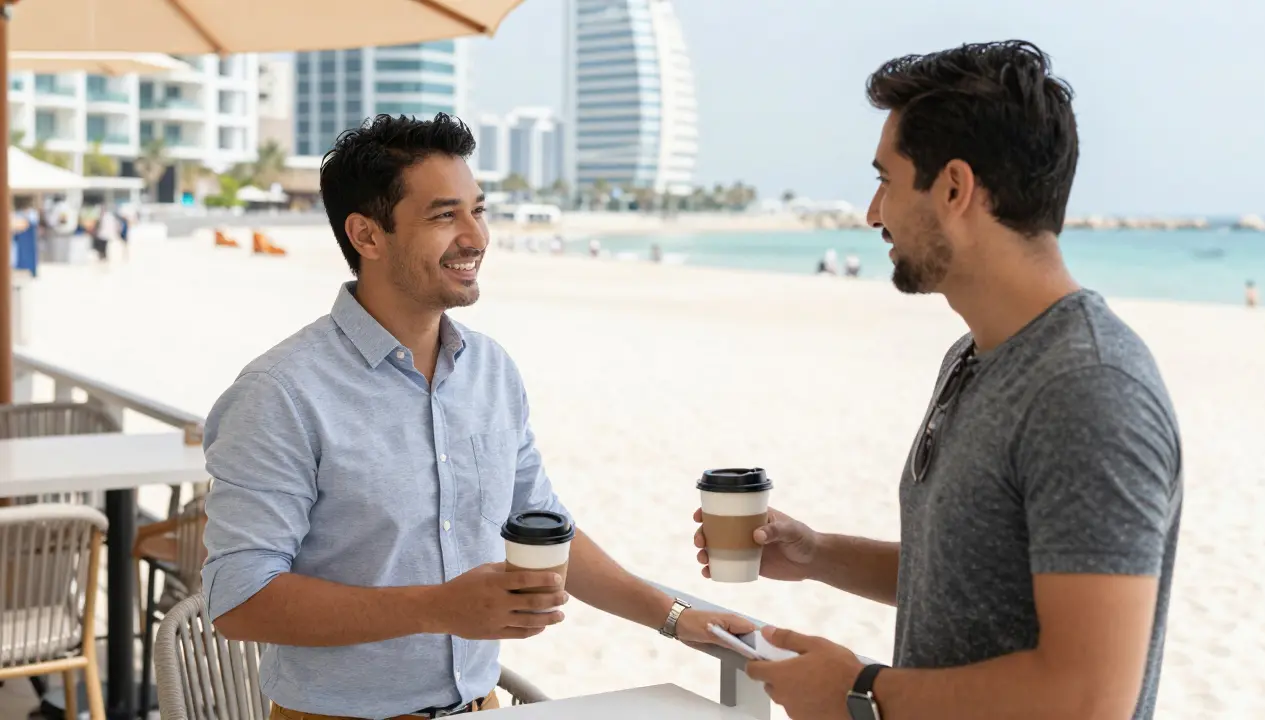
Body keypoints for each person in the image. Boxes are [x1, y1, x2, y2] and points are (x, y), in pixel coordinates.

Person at [201, 113, 751, 720]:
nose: (475, 237)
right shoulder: (279, 392)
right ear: (367, 236)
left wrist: (673, 616)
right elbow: (238, 599)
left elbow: (543, 525)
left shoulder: (490, 369)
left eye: (478, 210)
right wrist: (439, 607)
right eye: (444, 215)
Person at [692, 41, 1181, 720]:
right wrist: (817, 554)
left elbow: (1089, 698)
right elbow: (978, 579)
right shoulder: (972, 355)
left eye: (885, 180)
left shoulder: (1088, 390)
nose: (871, 214)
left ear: (954, 188)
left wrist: (861, 693)